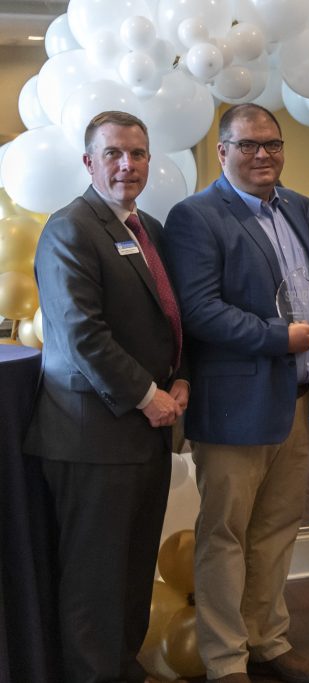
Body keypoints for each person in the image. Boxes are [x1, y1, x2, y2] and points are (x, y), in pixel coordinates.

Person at [162, 103, 309, 683]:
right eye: (248, 145)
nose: (262, 155)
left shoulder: (298, 207)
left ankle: (268, 638)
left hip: (297, 402)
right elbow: (199, 310)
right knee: (227, 535)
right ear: (222, 152)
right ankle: (225, 659)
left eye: (272, 144)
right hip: (235, 405)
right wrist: (277, 339)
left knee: (276, 531)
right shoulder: (195, 216)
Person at [24, 110, 188, 683]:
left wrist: (181, 376)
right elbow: (82, 334)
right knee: (95, 583)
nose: (127, 165)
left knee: (133, 571)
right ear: (89, 162)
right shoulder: (70, 228)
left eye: (137, 154)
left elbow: (171, 316)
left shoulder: (150, 230)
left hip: (147, 432)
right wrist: (149, 397)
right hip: (92, 436)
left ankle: (124, 670)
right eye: (114, 154)